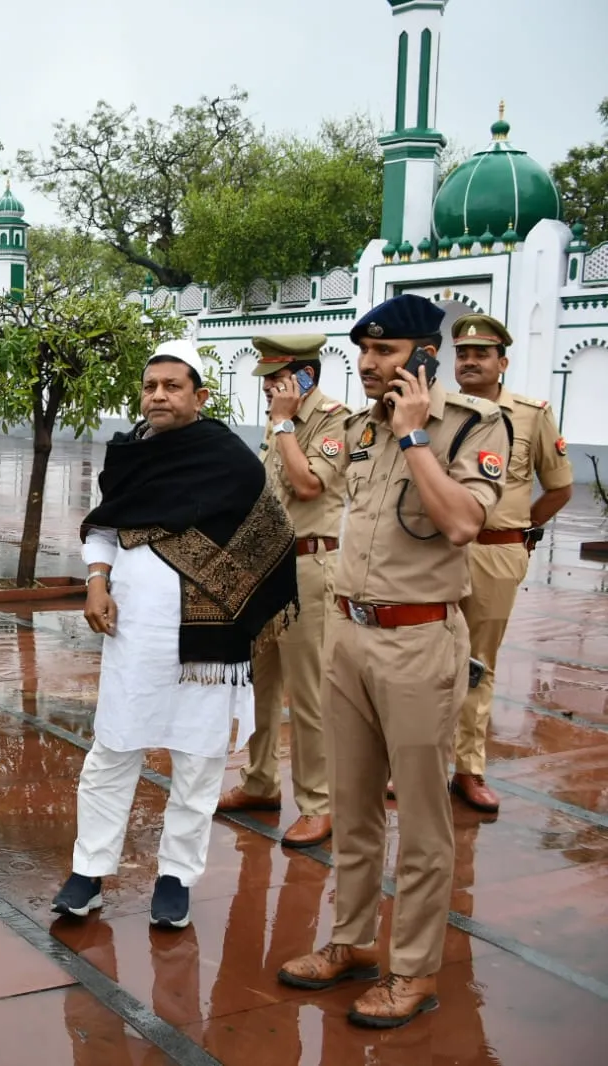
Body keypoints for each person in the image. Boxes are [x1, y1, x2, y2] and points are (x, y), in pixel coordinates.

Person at [279, 294, 508, 1029]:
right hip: (347, 632)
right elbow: (322, 490)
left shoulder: (473, 425)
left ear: (421, 353)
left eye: (381, 353)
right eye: (363, 354)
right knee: (350, 807)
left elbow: (462, 523)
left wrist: (415, 440)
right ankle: (349, 941)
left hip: (417, 642)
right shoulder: (359, 429)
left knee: (419, 818)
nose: (368, 366)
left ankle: (412, 971)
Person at [51, 339, 298, 933]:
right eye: (150, 386)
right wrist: (95, 582)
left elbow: (271, 537)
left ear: (199, 396)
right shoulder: (128, 458)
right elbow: (103, 529)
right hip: (134, 633)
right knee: (113, 749)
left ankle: (176, 879)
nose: (158, 396)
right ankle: (89, 871)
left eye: (172, 386)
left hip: (211, 645)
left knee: (198, 759)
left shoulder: (231, 460)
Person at [218, 335, 348, 847]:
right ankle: (259, 781)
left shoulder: (334, 420)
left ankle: (317, 802)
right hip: (265, 569)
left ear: (305, 377)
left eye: (276, 380)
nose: (269, 389)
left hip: (309, 567)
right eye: (268, 382)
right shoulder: (280, 424)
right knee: (260, 686)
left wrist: (287, 423)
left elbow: (309, 484)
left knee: (309, 694)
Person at [449, 313, 572, 814]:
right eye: (463, 353)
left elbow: (559, 487)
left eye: (481, 354)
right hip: (437, 553)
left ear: (502, 361)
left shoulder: (530, 414)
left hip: (496, 552)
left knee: (477, 665)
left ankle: (468, 769)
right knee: (420, 659)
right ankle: (414, 763)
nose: (470, 361)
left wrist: (521, 536)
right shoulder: (438, 411)